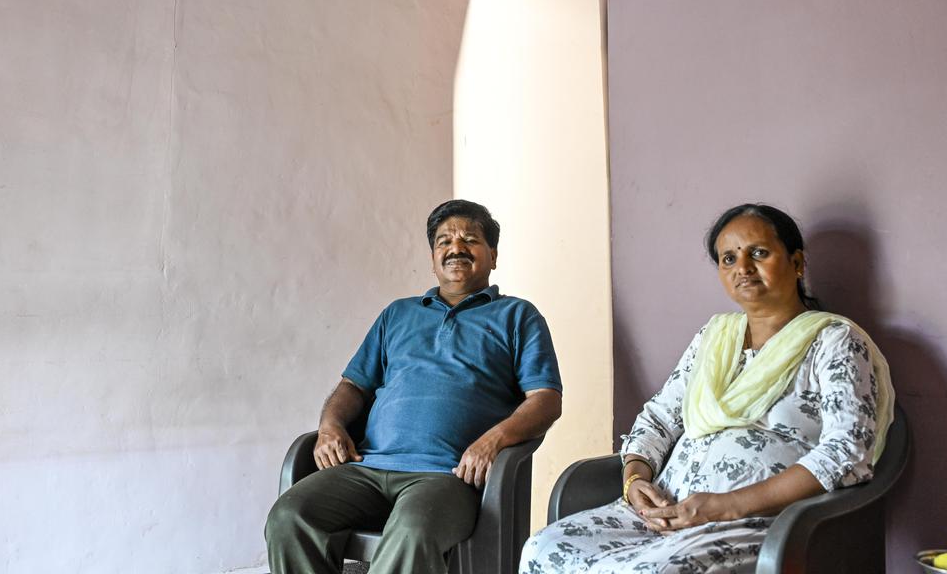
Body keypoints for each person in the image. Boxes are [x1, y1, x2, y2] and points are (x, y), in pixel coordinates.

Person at [520, 204, 895, 574]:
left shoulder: (834, 341)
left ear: (797, 263)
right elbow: (659, 418)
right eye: (728, 259)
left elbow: (847, 451)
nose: (742, 268)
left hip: (754, 524)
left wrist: (727, 506)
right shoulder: (714, 338)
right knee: (543, 547)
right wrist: (635, 479)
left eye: (759, 253)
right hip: (661, 513)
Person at [266, 200, 563, 574]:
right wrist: (330, 427)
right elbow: (352, 387)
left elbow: (546, 399)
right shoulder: (397, 314)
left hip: (446, 477)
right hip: (367, 467)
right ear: (433, 257)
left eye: (470, 239)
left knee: (412, 530)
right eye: (444, 242)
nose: (456, 248)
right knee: (289, 516)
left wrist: (495, 440)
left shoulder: (518, 316)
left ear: (493, 254)